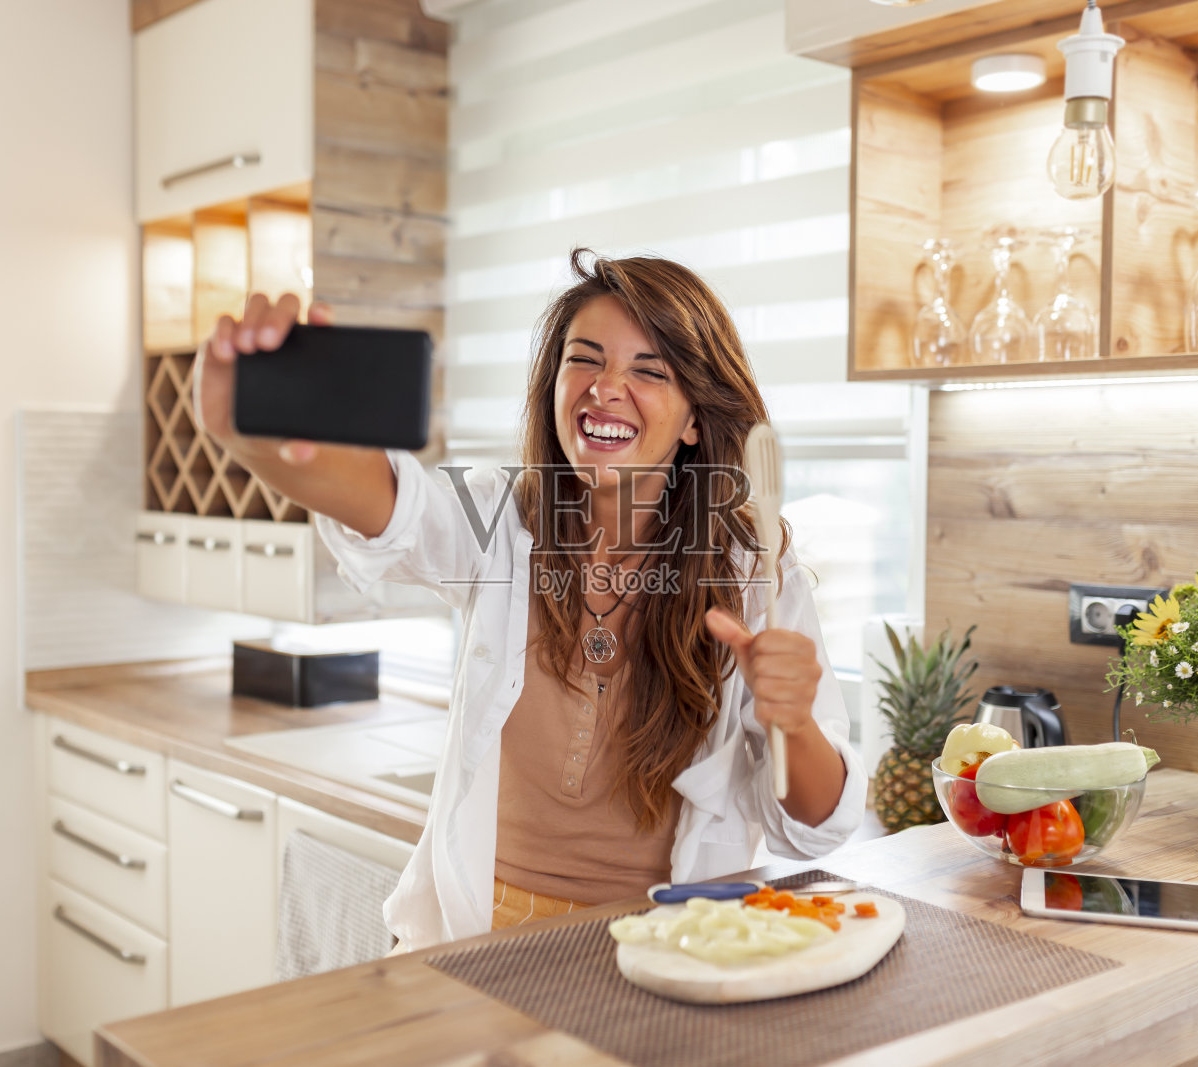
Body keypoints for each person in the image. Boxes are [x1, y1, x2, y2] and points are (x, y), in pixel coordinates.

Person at [194, 249, 867, 952]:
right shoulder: (499, 522)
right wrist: (256, 439)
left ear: (696, 418)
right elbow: (387, 502)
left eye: (648, 370)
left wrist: (791, 723)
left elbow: (814, 825)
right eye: (586, 359)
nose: (607, 388)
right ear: (553, 384)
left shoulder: (755, 571)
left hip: (660, 949)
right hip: (473, 938)